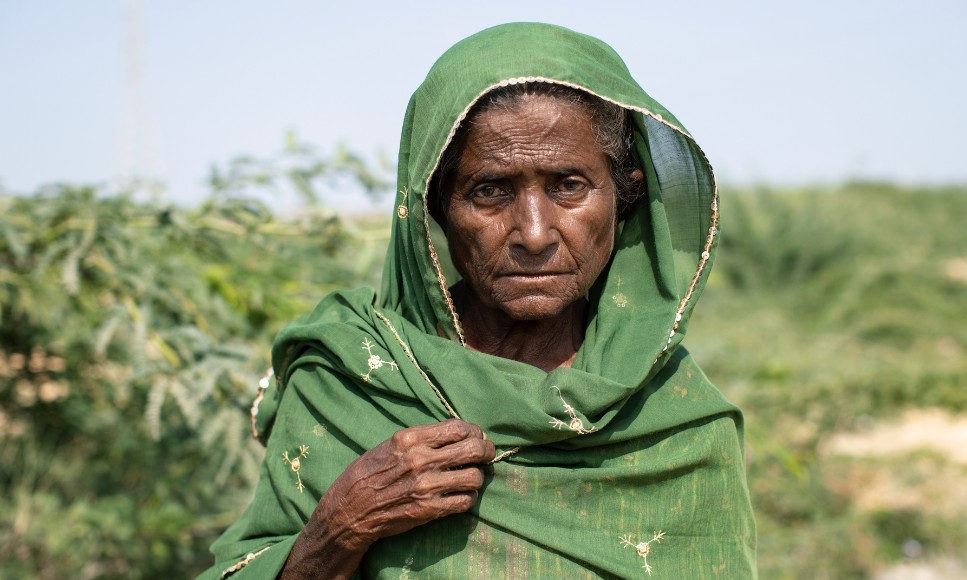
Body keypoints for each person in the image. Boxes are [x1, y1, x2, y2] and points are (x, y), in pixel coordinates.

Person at [201, 22, 756, 579]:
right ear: (435, 208)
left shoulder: (678, 420)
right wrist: (342, 526)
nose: (534, 233)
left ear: (625, 197)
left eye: (569, 185)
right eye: (489, 191)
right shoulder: (352, 379)